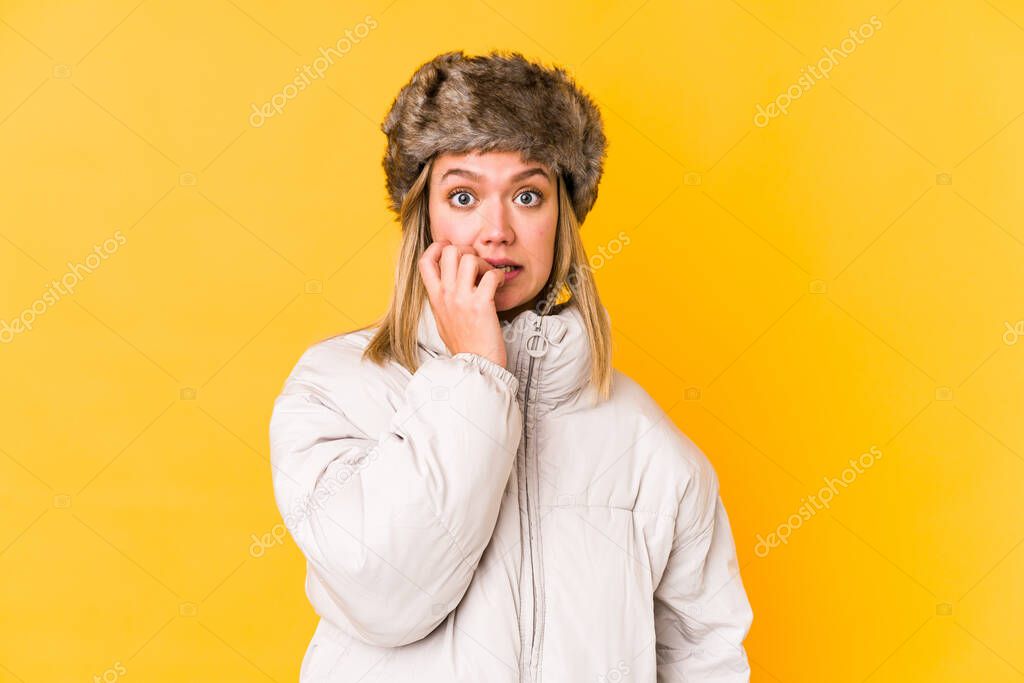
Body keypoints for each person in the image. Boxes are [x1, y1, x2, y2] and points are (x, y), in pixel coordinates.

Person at [269, 49, 753, 682]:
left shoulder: (646, 442)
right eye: (464, 195)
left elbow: (705, 659)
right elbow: (385, 594)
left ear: (563, 220)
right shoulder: (335, 391)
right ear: (424, 217)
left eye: (527, 195)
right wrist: (474, 373)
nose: (496, 231)